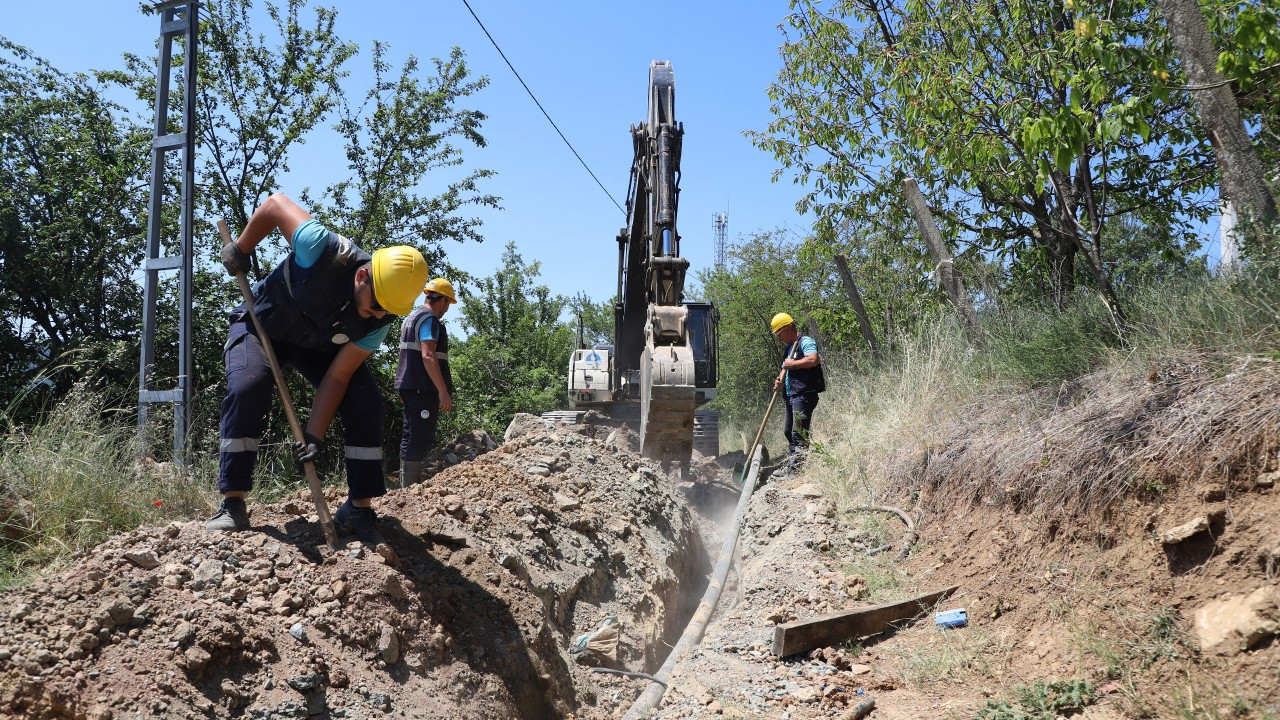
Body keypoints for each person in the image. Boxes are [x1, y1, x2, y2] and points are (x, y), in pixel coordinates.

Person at [206, 193, 428, 545]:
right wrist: (241, 249)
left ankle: (358, 508)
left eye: (388, 313)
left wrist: (313, 435)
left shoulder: (378, 321)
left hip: (317, 346)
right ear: (361, 277)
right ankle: (232, 501)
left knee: (365, 401)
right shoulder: (321, 248)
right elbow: (276, 205)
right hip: (261, 325)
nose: (378, 316)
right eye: (375, 307)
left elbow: (338, 376)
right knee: (249, 385)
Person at [394, 277, 456, 486]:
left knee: (411, 434)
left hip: (411, 385)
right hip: (421, 387)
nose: (446, 309)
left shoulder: (412, 317)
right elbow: (428, 355)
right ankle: (410, 490)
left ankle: (408, 488)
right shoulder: (429, 320)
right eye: (448, 304)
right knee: (418, 437)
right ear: (443, 300)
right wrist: (443, 391)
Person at [771, 312, 825, 471]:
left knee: (799, 433)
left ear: (786, 328)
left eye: (778, 333)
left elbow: (813, 359)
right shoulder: (789, 348)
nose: (778, 337)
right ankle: (792, 464)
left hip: (804, 394)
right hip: (791, 395)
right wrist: (779, 381)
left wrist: (793, 364)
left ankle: (796, 469)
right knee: (789, 431)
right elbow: (784, 369)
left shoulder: (805, 342)